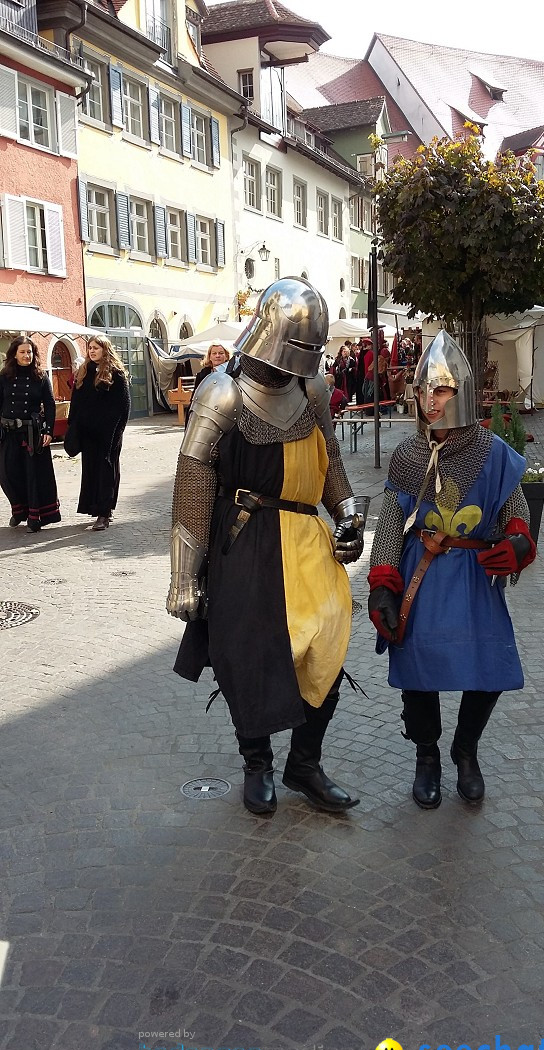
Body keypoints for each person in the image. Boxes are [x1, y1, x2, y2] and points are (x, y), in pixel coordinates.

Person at [167, 277, 369, 816]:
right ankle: (257, 762)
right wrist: (185, 577)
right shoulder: (222, 391)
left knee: (325, 647)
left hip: (308, 543)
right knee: (248, 655)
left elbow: (334, 468)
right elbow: (191, 484)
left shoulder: (313, 390)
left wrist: (348, 513)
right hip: (245, 540)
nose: (297, 364)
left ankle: (304, 763)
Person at [368, 331, 536, 809]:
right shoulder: (408, 454)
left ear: (460, 393)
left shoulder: (491, 451)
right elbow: (387, 528)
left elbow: (514, 510)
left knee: (488, 669)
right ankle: (427, 756)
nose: (430, 400)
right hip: (423, 572)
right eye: (424, 390)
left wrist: (520, 541)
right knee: (419, 671)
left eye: (440, 390)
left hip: (473, 576)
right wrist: (383, 583)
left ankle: (466, 751)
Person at [67, 335, 130, 531]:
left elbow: (123, 406)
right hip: (88, 434)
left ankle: (105, 512)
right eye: (90, 348)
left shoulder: (116, 374)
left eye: (96, 348)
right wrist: (73, 426)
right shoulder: (84, 372)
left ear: (105, 349)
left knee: (106, 471)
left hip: (108, 434)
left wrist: (115, 433)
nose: (92, 351)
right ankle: (94, 507)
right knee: (91, 471)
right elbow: (76, 402)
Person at [0, 335, 61, 532]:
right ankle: (19, 510)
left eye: (29, 352)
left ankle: (35, 517)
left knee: (33, 475)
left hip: (32, 434)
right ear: (14, 354)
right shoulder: (4, 376)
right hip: (8, 433)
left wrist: (49, 431)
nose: (27, 355)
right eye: (22, 352)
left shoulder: (41, 377)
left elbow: (50, 405)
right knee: (7, 473)